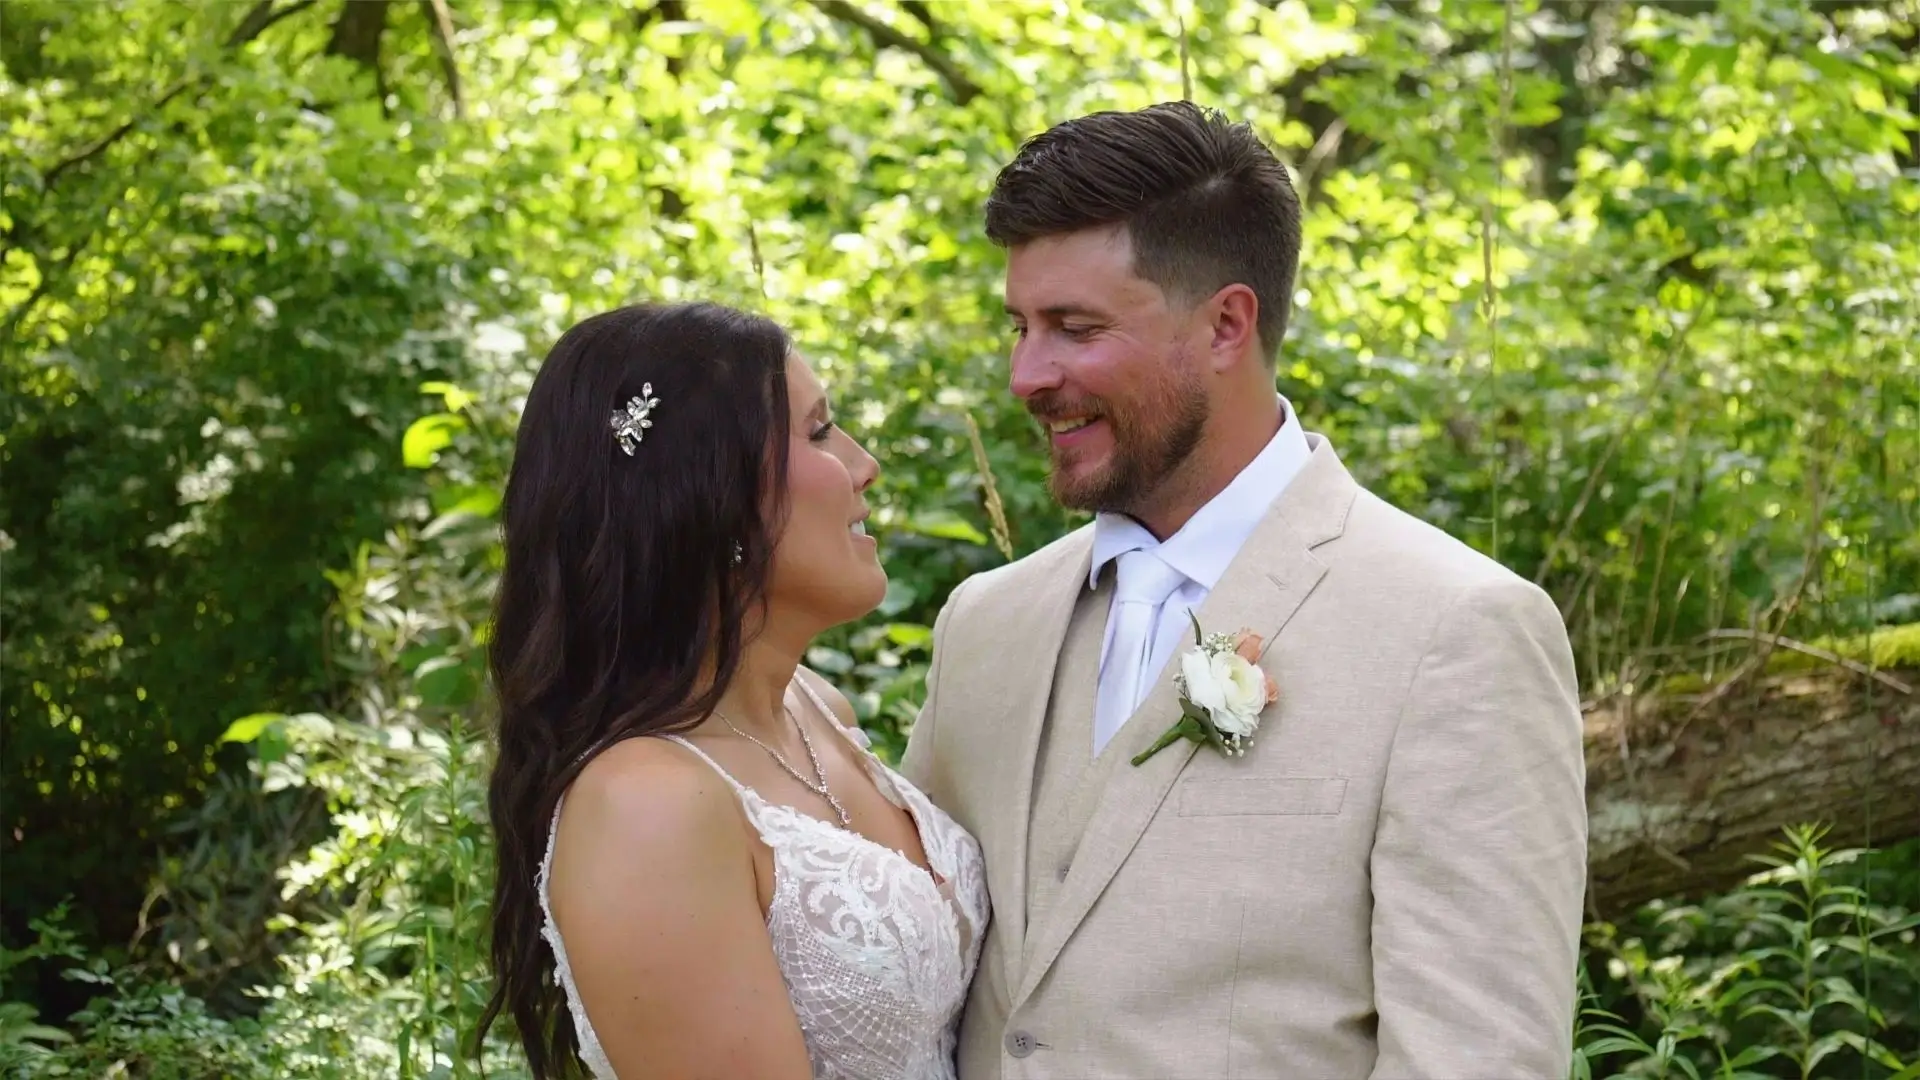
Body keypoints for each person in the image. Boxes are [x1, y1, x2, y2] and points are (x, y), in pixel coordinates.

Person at [902, 102, 1587, 1078]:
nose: (1025, 374)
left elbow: (1475, 1058)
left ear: (1227, 323)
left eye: (1075, 328)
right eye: (1019, 326)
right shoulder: (985, 624)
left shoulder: (1455, 631)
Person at [478, 302, 988, 1080]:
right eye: (819, 433)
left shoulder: (818, 711)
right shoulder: (646, 805)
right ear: (709, 498)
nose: (863, 464)